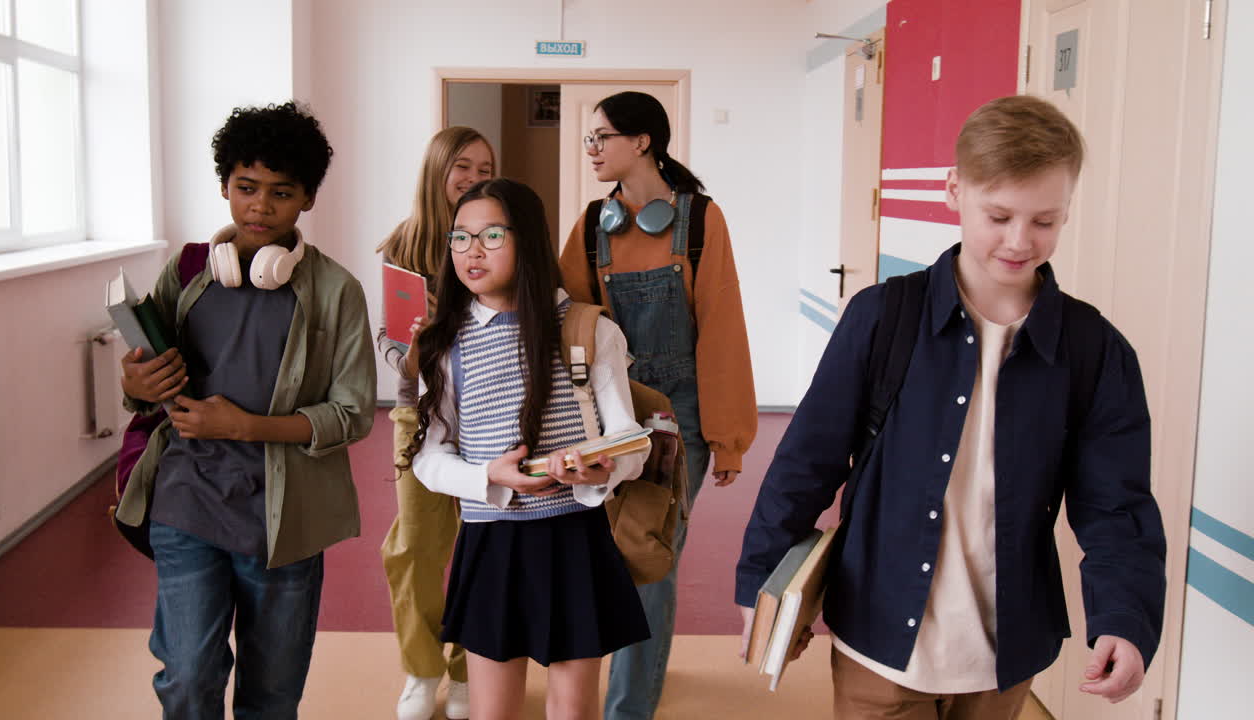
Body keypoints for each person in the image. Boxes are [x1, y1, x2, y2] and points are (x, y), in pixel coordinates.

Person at [735, 95, 1166, 719]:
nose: (1020, 241)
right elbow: (806, 462)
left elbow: (1117, 504)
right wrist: (760, 580)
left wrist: (1125, 616)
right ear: (954, 190)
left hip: (1006, 650)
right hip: (877, 640)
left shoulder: (1094, 349)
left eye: (1045, 220)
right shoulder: (883, 318)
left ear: (1069, 209)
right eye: (999, 215)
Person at [115, 101, 376, 719]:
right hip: (187, 498)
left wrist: (245, 427)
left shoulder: (338, 291)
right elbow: (145, 383)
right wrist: (136, 380)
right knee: (187, 677)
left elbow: (354, 413)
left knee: (272, 695)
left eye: (281, 193)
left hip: (283, 521)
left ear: (308, 199)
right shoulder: (187, 273)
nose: (260, 206)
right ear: (225, 186)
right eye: (246, 188)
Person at [411, 178, 651, 720]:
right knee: (491, 711)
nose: (473, 251)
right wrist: (488, 477)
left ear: (529, 241)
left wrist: (599, 468)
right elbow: (428, 457)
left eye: (492, 235)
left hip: (573, 538)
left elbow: (631, 443)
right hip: (491, 542)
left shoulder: (587, 328)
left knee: (573, 710)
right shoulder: (444, 343)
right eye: (461, 238)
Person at [557, 90, 758, 720]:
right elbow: (564, 318)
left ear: (642, 141)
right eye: (588, 140)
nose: (591, 150)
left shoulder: (699, 220)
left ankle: (628, 707)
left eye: (601, 138)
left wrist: (728, 437)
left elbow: (722, 328)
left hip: (681, 421)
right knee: (600, 554)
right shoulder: (593, 224)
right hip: (608, 416)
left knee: (649, 557)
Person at [376, 126, 494, 720]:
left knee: (482, 543)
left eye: (485, 167)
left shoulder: (505, 238)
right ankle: (422, 669)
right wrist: (409, 353)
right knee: (417, 546)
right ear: (437, 172)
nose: (474, 178)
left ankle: (471, 668)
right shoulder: (405, 243)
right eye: (462, 167)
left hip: (490, 412)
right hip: (418, 412)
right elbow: (388, 336)